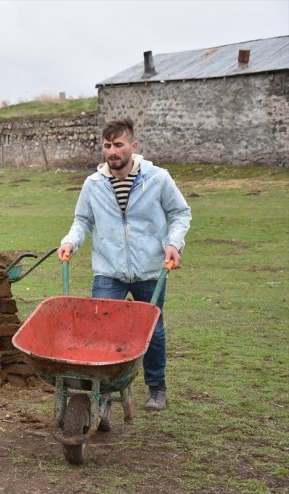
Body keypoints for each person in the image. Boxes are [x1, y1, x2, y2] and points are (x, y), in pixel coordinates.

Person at [57, 117, 191, 412]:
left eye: (118, 144)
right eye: (107, 145)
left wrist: (173, 242)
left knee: (152, 332)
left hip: (150, 269)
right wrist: (70, 241)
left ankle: (157, 388)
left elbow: (180, 213)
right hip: (109, 270)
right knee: (102, 333)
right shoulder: (93, 184)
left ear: (133, 145)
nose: (112, 151)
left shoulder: (157, 178)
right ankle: (101, 393)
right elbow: (83, 220)